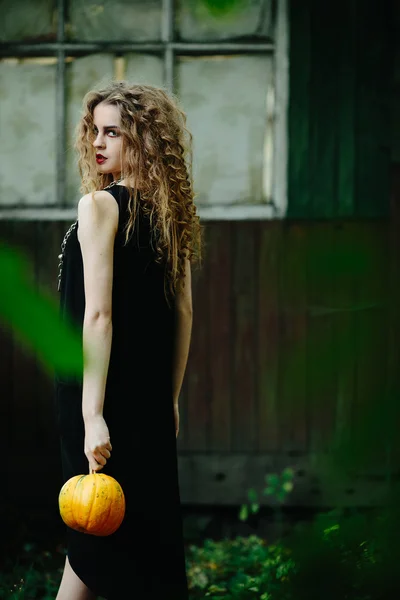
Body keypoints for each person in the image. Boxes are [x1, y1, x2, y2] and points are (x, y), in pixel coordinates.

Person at [54, 80, 202, 600]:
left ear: (142, 138)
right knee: (131, 535)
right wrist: (171, 399)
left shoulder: (99, 206)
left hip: (101, 397)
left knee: (96, 534)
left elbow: (99, 315)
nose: (98, 142)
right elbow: (183, 313)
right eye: (94, 131)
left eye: (112, 132)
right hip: (148, 401)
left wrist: (91, 414)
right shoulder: (172, 218)